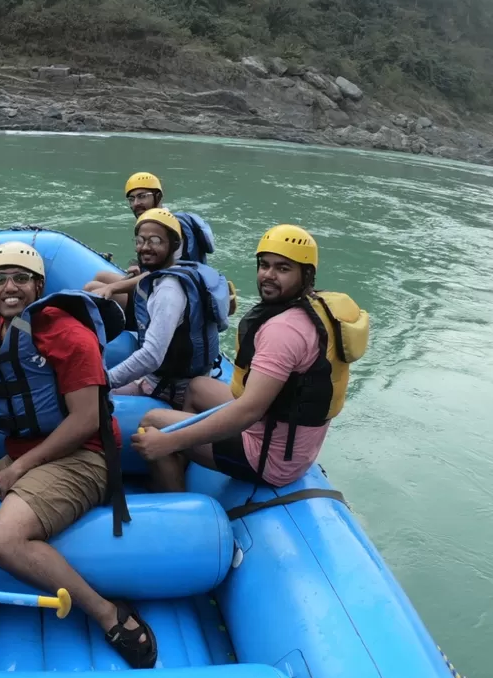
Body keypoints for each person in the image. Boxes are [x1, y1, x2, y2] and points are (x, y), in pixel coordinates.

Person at [0, 242, 157, 669]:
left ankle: (110, 614)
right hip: (27, 453)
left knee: (2, 540)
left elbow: (86, 420)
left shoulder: (67, 333)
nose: (9, 288)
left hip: (85, 457)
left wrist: (23, 467)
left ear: (40, 285)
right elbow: (23, 381)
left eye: (21, 279)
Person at [132, 225, 368, 492]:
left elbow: (248, 411)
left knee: (151, 421)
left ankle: (176, 501)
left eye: (283, 268)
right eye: (264, 265)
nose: (268, 275)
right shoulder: (317, 307)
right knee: (197, 387)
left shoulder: (285, 331)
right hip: (288, 437)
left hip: (268, 458)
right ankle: (185, 459)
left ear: (306, 275)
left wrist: (170, 441)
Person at [107, 208, 231, 410]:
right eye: (140, 240)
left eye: (155, 241)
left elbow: (151, 356)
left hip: (169, 390)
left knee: (88, 398)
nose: (145, 248)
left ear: (174, 245)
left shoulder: (170, 289)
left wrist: (106, 380)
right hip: (161, 380)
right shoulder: (180, 273)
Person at [85, 171, 217, 309]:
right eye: (132, 199)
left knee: (91, 288)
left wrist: (112, 288)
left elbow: (163, 274)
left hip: (167, 296)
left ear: (158, 196)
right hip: (155, 284)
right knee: (101, 276)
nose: (136, 203)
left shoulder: (171, 229)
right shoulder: (156, 223)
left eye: (142, 197)